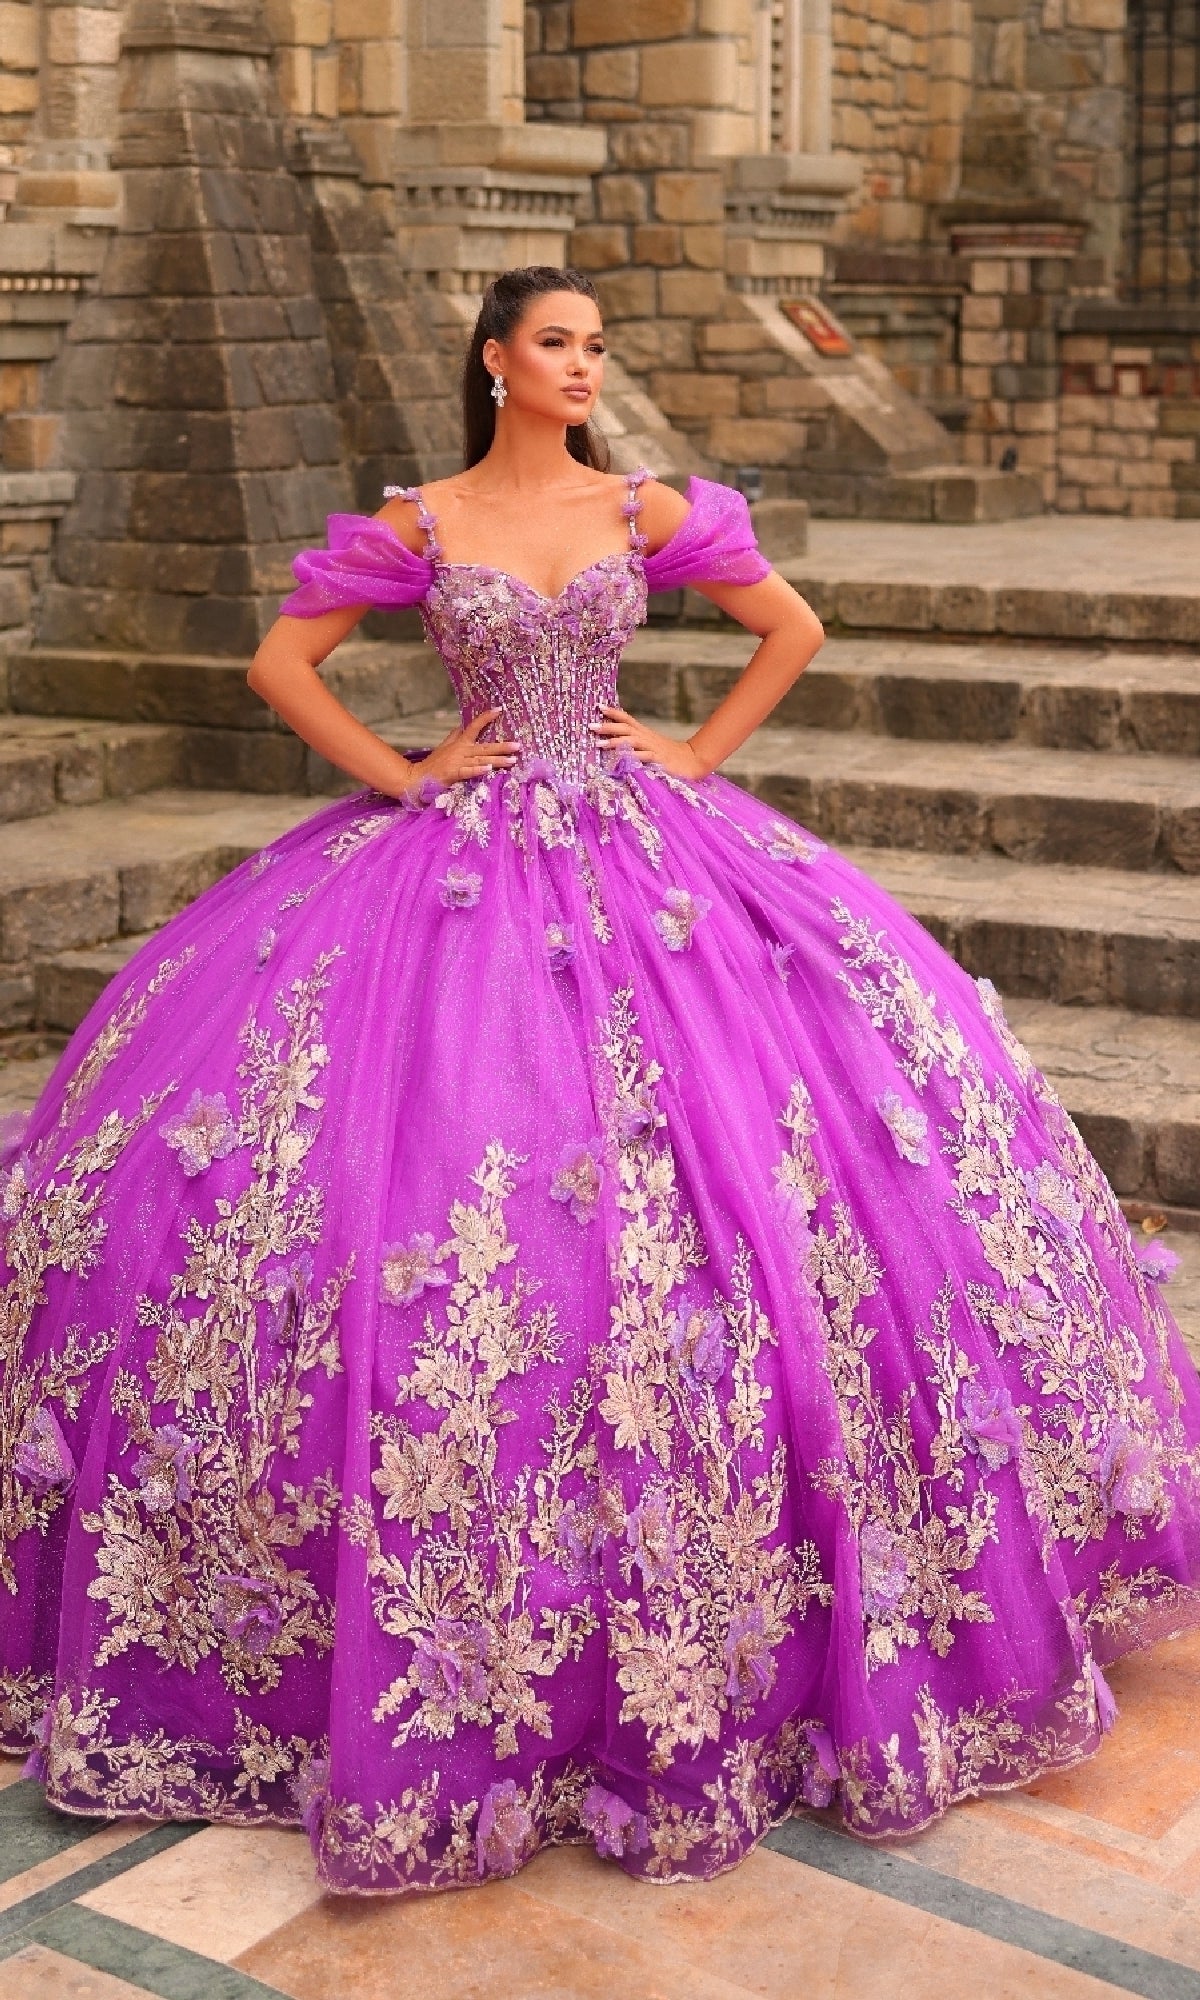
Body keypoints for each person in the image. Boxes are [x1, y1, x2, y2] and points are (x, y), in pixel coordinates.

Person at [3, 264, 1199, 1901]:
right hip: (462, 861)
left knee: (794, 1174)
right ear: (496, 359)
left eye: (596, 346)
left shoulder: (644, 509)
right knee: (433, 1166)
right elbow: (282, 664)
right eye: (558, 343)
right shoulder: (423, 522)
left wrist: (695, 753)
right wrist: (407, 771)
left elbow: (791, 627)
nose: (585, 365)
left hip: (656, 854)